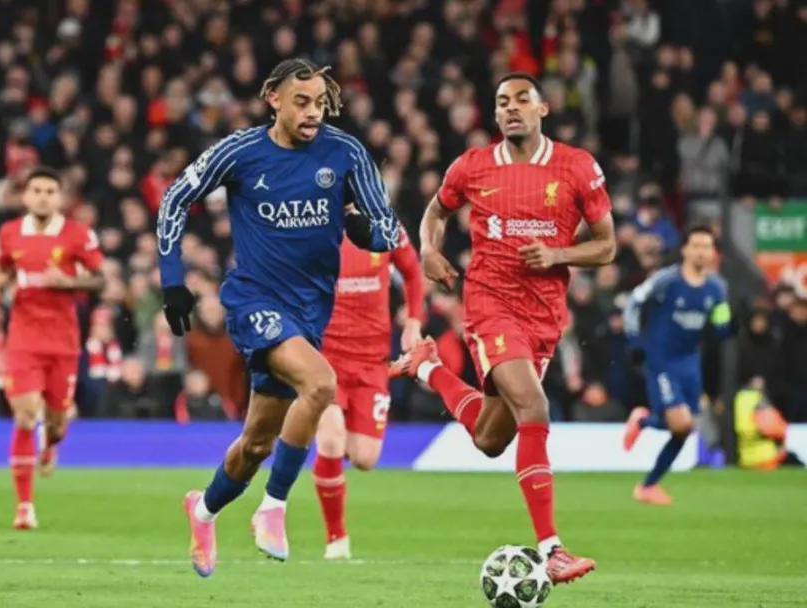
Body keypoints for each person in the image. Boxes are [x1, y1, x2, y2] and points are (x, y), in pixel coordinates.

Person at [158, 58, 400, 577]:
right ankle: (273, 507)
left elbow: (388, 227)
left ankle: (202, 511)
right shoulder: (240, 152)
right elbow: (175, 198)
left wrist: (366, 233)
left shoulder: (346, 153)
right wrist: (172, 280)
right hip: (254, 302)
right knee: (322, 384)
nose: (313, 113)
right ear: (273, 99)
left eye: (320, 103)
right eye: (301, 102)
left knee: (255, 444)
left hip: (309, 314)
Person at [393, 73, 615, 584]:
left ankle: (427, 368)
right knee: (534, 406)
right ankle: (553, 549)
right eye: (501, 102)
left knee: (492, 438)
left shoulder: (577, 167)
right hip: (490, 304)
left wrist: (558, 254)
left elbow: (606, 246)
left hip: (544, 316)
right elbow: (435, 212)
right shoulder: (472, 166)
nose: (511, 108)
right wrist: (429, 249)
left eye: (521, 99)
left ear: (543, 109)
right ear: (495, 115)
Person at [0, 166, 104, 530]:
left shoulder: (78, 234)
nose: (43, 197)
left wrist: (68, 282)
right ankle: (24, 506)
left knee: (56, 423)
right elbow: (0, 270)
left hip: (63, 341)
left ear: (60, 197)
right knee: (24, 416)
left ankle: (50, 444)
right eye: (36, 190)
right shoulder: (9, 233)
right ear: (25, 196)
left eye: (50, 191)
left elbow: (100, 280)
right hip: (23, 338)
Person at [313, 229, 424, 560]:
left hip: (372, 360)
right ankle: (336, 539)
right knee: (331, 439)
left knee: (364, 458)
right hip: (326, 354)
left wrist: (413, 322)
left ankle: (321, 445)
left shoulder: (385, 227)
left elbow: (413, 271)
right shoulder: (317, 223)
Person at [622, 226, 734, 504]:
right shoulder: (667, 280)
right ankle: (644, 432)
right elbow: (634, 302)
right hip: (661, 360)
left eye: (706, 246)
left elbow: (720, 324)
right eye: (696, 245)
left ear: (713, 253)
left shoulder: (717, 287)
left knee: (684, 429)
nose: (701, 252)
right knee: (681, 423)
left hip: (690, 363)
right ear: (684, 249)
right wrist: (635, 341)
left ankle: (648, 483)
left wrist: (728, 327)